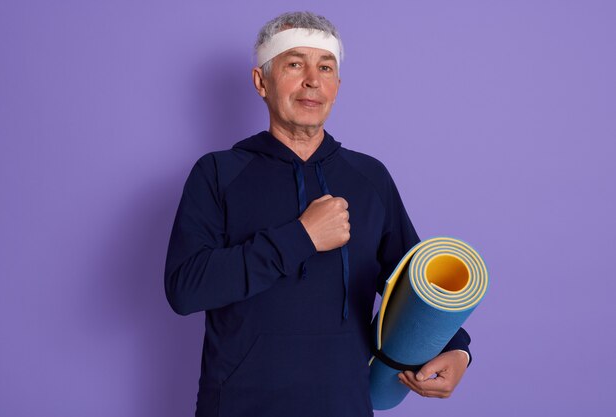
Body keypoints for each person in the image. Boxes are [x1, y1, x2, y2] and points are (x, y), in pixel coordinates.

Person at [165, 11, 472, 417]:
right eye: (295, 64)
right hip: (238, 405)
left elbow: (413, 284)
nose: (313, 80)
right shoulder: (219, 173)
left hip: (342, 404)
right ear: (261, 81)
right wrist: (301, 236)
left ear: (337, 86)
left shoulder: (369, 178)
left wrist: (457, 349)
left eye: (325, 67)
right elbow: (185, 289)